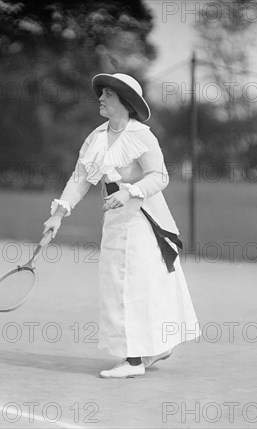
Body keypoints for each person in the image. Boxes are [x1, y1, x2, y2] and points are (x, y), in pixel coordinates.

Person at [43, 73, 200, 378]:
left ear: (125, 102)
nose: (100, 98)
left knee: (134, 285)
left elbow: (159, 176)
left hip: (145, 221)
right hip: (115, 221)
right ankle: (154, 349)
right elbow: (80, 178)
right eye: (101, 94)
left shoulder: (142, 136)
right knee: (118, 284)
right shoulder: (96, 137)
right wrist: (59, 214)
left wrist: (129, 190)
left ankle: (134, 361)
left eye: (108, 95)